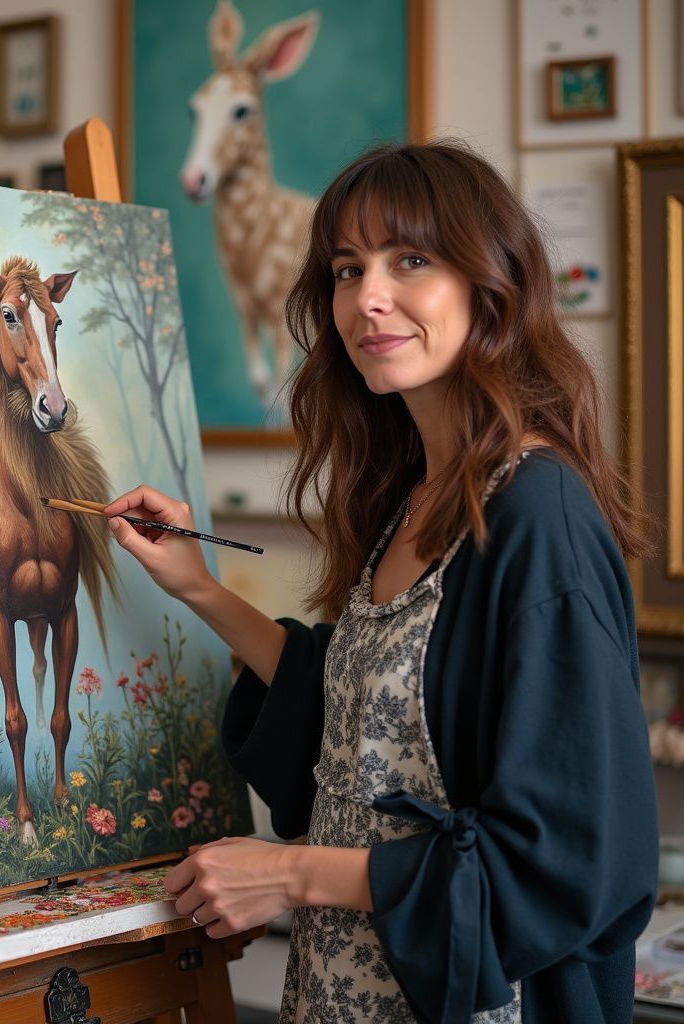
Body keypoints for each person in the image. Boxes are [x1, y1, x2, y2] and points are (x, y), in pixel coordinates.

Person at [103, 140, 659, 1023]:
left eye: (411, 260)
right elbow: (360, 719)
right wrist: (198, 586)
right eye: (346, 267)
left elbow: (574, 853)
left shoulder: (537, 513)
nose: (368, 298)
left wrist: (286, 873)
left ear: (491, 283)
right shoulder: (413, 494)